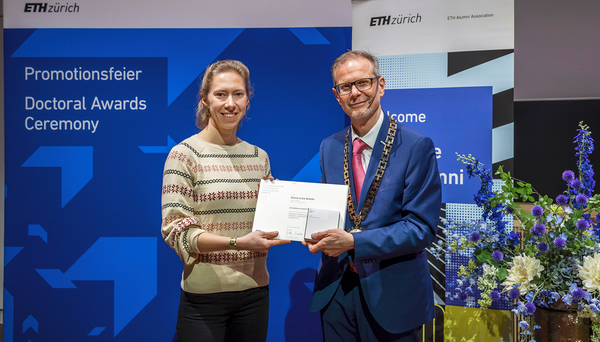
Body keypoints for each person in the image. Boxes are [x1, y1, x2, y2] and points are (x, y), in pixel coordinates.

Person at [303, 50, 442, 341]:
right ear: (336, 94)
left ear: (380, 85)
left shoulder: (416, 146)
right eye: (345, 87)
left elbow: (421, 228)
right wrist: (285, 205)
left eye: (363, 83)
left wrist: (353, 242)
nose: (355, 93)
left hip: (393, 296)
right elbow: (329, 209)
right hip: (336, 292)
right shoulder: (329, 146)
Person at [161, 59, 290, 342]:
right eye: (220, 94)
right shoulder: (184, 155)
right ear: (205, 99)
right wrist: (236, 243)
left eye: (238, 94)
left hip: (255, 294)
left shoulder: (259, 157)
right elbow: (177, 231)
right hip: (204, 299)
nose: (230, 103)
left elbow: (265, 226)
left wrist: (281, 208)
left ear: (248, 99)